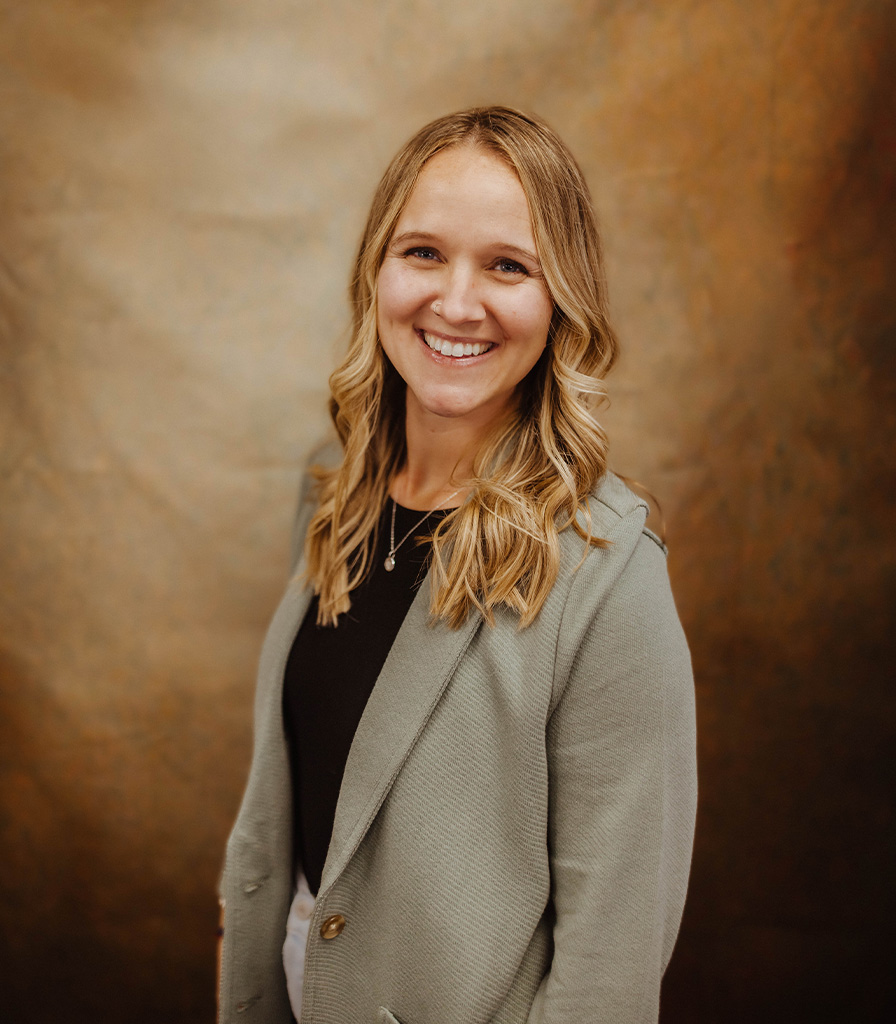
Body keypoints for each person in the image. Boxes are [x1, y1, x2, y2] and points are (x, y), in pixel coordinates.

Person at [218, 105, 697, 1024]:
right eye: (424, 253)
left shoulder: (608, 573)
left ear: (560, 302)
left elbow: (611, 966)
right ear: (377, 270)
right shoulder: (331, 501)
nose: (457, 302)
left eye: (508, 266)